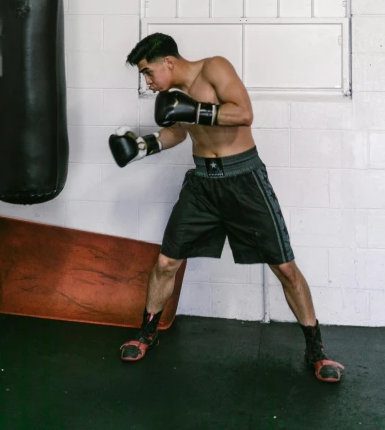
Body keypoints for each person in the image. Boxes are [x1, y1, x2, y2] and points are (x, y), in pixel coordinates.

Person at [108, 33, 344, 384]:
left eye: (147, 72)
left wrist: (194, 109)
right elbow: (179, 132)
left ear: (167, 63)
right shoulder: (173, 98)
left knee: (284, 268)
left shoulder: (214, 68)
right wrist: (146, 145)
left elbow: (244, 113)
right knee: (166, 261)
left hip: (243, 179)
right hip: (203, 184)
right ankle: (147, 333)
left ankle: (316, 350)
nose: (147, 82)